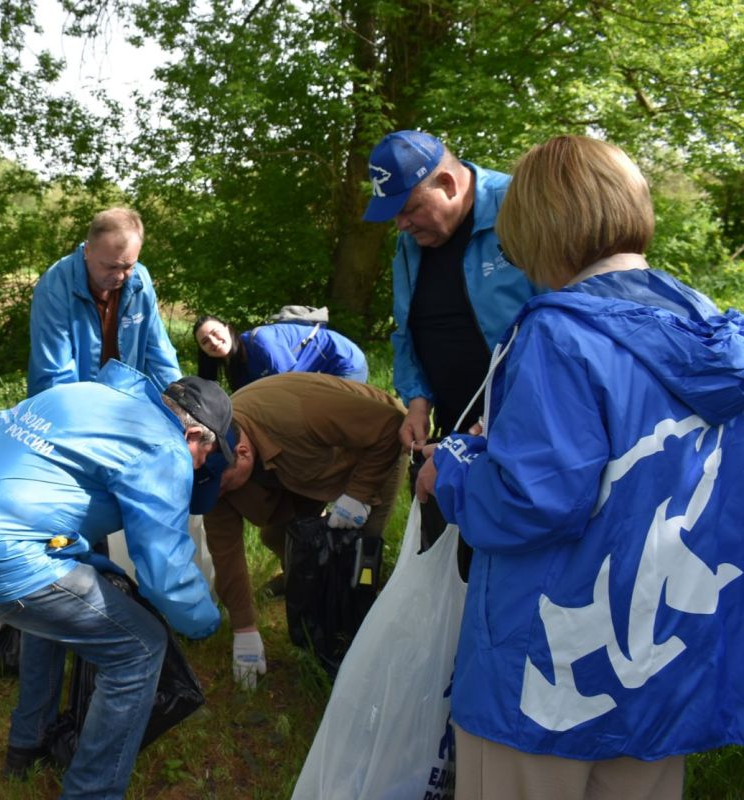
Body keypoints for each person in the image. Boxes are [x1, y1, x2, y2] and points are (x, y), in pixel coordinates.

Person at [416, 135, 744, 799]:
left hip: (548, 676)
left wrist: (450, 473)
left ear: (535, 228)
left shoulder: (558, 332)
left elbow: (530, 503)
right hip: (663, 666)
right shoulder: (710, 332)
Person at [0, 367, 232, 799]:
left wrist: (96, 562)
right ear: (197, 437)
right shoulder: (164, 446)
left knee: (61, 613)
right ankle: (91, 792)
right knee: (140, 648)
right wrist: (205, 623)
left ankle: (27, 745)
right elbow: (165, 570)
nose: (198, 469)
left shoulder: (86, 394)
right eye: (206, 459)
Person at [364, 130, 539, 552]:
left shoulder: (521, 208)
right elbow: (407, 328)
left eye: (408, 209)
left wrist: (492, 423)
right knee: (447, 554)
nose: (401, 224)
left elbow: (559, 322)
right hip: (450, 431)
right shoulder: (412, 242)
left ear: (446, 183)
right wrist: (417, 401)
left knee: (506, 555)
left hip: (524, 428)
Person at [197, 372, 406, 688]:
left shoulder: (299, 414)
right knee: (277, 536)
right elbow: (226, 552)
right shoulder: (213, 468)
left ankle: (357, 640)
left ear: (242, 453)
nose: (218, 496)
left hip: (371, 448)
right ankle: (309, 589)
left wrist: (359, 493)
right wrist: (244, 628)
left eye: (222, 486)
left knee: (357, 554)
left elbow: (393, 423)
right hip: (304, 471)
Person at [28, 207, 182, 397]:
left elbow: (159, 353)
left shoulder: (140, 281)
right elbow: (55, 375)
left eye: (128, 266)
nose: (119, 276)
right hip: (70, 401)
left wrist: (179, 404)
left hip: (126, 400)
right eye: (110, 266)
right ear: (88, 250)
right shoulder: (55, 287)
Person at [193, 313, 368, 390]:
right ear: (204, 352)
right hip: (316, 376)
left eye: (215, 333)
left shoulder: (262, 342)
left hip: (342, 361)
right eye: (205, 342)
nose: (214, 342)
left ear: (228, 328)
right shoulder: (237, 366)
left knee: (334, 417)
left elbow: (290, 387)